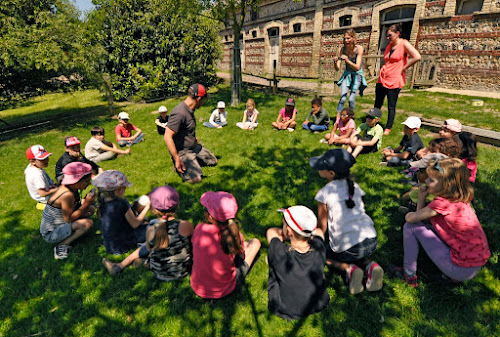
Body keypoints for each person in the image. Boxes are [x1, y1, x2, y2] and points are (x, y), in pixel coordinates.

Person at [389, 158, 490, 287]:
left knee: (410, 226)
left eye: (431, 180)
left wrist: (412, 210)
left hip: (460, 269)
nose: (426, 181)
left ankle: (409, 274)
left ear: (447, 185)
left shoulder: (440, 204)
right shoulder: (461, 200)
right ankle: (450, 277)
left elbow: (412, 219)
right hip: (474, 265)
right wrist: (422, 199)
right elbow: (423, 219)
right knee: (423, 225)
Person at [310, 149, 383, 294]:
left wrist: (313, 239)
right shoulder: (354, 187)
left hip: (348, 248)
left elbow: (322, 226)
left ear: (331, 173)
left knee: (322, 254)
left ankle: (348, 269)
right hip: (371, 241)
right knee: (356, 252)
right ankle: (370, 266)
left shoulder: (324, 193)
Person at [102, 185, 194, 280]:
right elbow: (193, 245)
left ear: (154, 209)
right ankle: (138, 262)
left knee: (148, 245)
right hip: (184, 271)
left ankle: (121, 266)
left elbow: (150, 249)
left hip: (159, 273)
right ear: (177, 204)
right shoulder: (186, 225)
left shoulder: (151, 229)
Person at [190, 191, 261, 299]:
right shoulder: (235, 235)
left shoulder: (199, 229)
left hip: (198, 287)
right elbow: (240, 254)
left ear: (210, 216)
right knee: (255, 243)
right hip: (226, 288)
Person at [267, 206, 330, 320]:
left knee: (271, 261)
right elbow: (320, 232)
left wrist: (284, 235)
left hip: (284, 307)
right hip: (318, 302)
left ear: (289, 231)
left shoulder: (279, 251)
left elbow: (271, 232)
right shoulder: (319, 247)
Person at [40, 162, 95, 259]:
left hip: (59, 223)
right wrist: (86, 203)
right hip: (51, 233)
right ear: (76, 182)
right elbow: (68, 219)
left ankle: (70, 232)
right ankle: (62, 245)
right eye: (86, 181)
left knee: (90, 209)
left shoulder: (68, 187)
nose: (89, 183)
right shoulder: (67, 195)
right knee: (88, 223)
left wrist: (85, 205)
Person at [374, 24, 421, 135]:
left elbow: (417, 56)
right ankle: (373, 121)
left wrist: (403, 68)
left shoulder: (403, 43)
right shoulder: (390, 46)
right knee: (378, 103)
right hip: (383, 78)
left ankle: (388, 127)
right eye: (387, 36)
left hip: (395, 79)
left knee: (391, 105)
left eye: (390, 35)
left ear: (397, 34)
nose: (388, 38)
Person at [93, 170, 151, 255]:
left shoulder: (102, 201)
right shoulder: (122, 203)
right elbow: (135, 224)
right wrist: (147, 207)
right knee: (153, 227)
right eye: (124, 188)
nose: (125, 189)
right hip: (124, 245)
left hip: (110, 246)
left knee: (143, 222)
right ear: (117, 191)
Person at [333, 29, 367, 118]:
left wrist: (347, 60)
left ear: (353, 38)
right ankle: (338, 120)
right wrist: (335, 62)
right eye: (344, 39)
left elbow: (357, 67)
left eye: (348, 38)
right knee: (342, 98)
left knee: (351, 99)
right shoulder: (341, 50)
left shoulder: (359, 49)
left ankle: (351, 119)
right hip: (347, 75)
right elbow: (337, 68)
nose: (346, 41)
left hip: (357, 75)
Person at [25, 145, 57, 210]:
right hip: (47, 199)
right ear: (32, 161)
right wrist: (57, 189)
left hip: (46, 192)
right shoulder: (38, 175)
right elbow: (42, 193)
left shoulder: (30, 167)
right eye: (42, 159)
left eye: (46, 157)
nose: (46, 160)